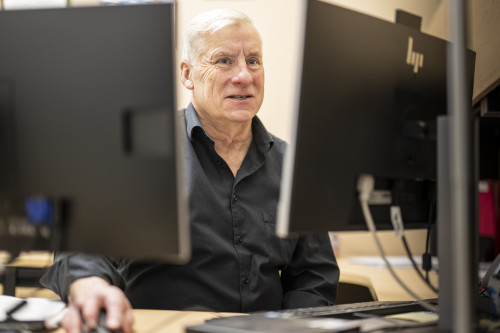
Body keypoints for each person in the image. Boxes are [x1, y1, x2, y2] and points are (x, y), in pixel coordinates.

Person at [41, 8, 339, 333]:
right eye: (224, 61)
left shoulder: (290, 165)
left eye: (253, 60)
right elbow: (79, 246)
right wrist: (89, 284)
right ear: (187, 74)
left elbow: (314, 277)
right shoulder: (140, 151)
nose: (244, 76)